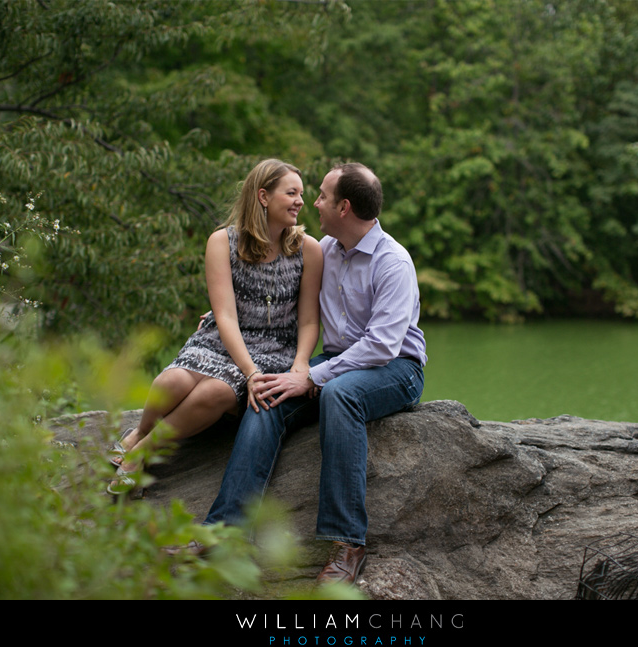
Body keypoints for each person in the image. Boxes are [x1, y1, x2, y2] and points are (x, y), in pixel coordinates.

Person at [204, 162, 426, 584]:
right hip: (339, 360)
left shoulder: (393, 262)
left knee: (339, 394)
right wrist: (223, 317)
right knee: (268, 392)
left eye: (322, 195)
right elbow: (285, 300)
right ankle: (225, 532)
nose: (313, 202)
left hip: (397, 368)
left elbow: (382, 346)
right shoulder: (323, 249)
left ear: (343, 207)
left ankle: (348, 543)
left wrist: (311, 377)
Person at [108, 159, 323, 495]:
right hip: (222, 338)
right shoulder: (222, 242)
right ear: (263, 196)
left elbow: (310, 319)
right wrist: (248, 372)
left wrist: (300, 363)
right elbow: (225, 316)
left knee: (217, 391)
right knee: (172, 380)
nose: (300, 201)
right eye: (291, 193)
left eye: (302, 194)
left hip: (273, 348)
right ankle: (138, 433)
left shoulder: (308, 249)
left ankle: (142, 453)